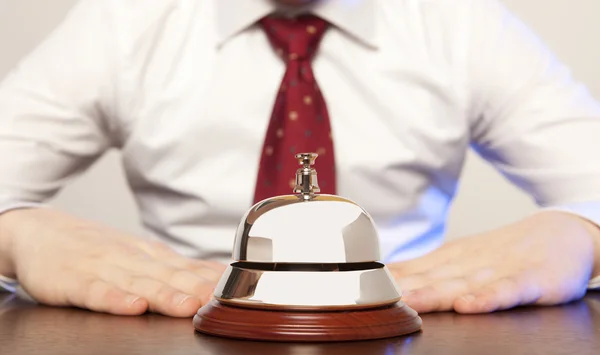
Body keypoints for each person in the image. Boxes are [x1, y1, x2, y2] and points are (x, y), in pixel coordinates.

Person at [0, 0, 598, 318]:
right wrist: (17, 234)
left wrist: (581, 233)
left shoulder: (459, 21)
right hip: (176, 322)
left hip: (412, 326)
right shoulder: (124, 20)